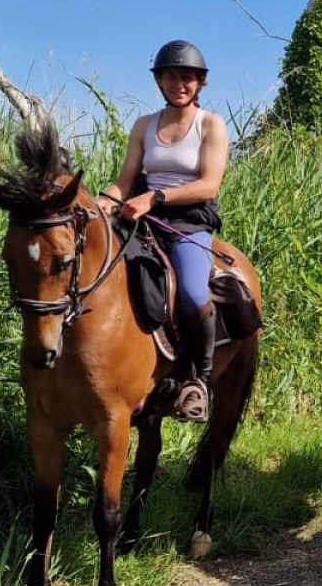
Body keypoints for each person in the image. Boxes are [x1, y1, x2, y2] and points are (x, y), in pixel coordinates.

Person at [98, 40, 229, 423]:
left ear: (200, 82)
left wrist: (155, 197)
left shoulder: (211, 125)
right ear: (160, 81)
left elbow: (209, 185)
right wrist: (101, 203)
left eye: (187, 77)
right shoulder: (144, 125)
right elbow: (124, 182)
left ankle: (200, 381)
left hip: (189, 219)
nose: (179, 83)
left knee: (190, 289)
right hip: (143, 216)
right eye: (171, 76)